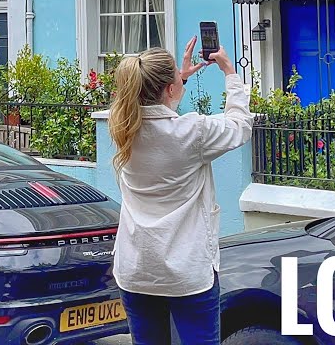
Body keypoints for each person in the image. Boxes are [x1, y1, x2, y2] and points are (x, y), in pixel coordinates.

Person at [108, 35, 254, 345]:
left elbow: (155, 113)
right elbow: (240, 125)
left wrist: (178, 81)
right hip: (186, 272)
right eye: (176, 74)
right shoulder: (193, 132)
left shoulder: (122, 127)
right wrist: (228, 70)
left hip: (136, 270)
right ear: (169, 89)